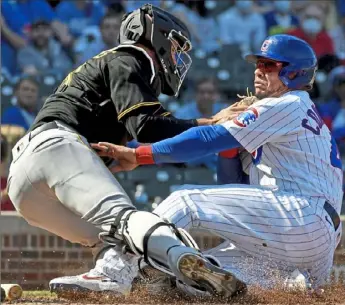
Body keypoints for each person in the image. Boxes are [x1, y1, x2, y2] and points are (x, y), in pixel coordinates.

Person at [7, 4, 246, 298]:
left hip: (23, 182)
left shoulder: (112, 63)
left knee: (110, 237)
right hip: (58, 146)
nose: (177, 56)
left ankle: (112, 276)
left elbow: (114, 125)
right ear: (153, 36)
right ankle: (183, 257)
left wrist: (125, 155)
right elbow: (145, 127)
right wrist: (206, 123)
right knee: (124, 218)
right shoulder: (132, 58)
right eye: (174, 45)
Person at [92, 34, 343, 292]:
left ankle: (111, 272)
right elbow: (234, 185)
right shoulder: (294, 116)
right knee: (193, 280)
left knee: (184, 201)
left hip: (301, 216)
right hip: (307, 238)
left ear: (294, 73)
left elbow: (207, 137)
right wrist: (230, 148)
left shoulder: (288, 103)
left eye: (269, 65)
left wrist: (139, 155)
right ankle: (289, 283)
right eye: (258, 64)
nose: (258, 70)